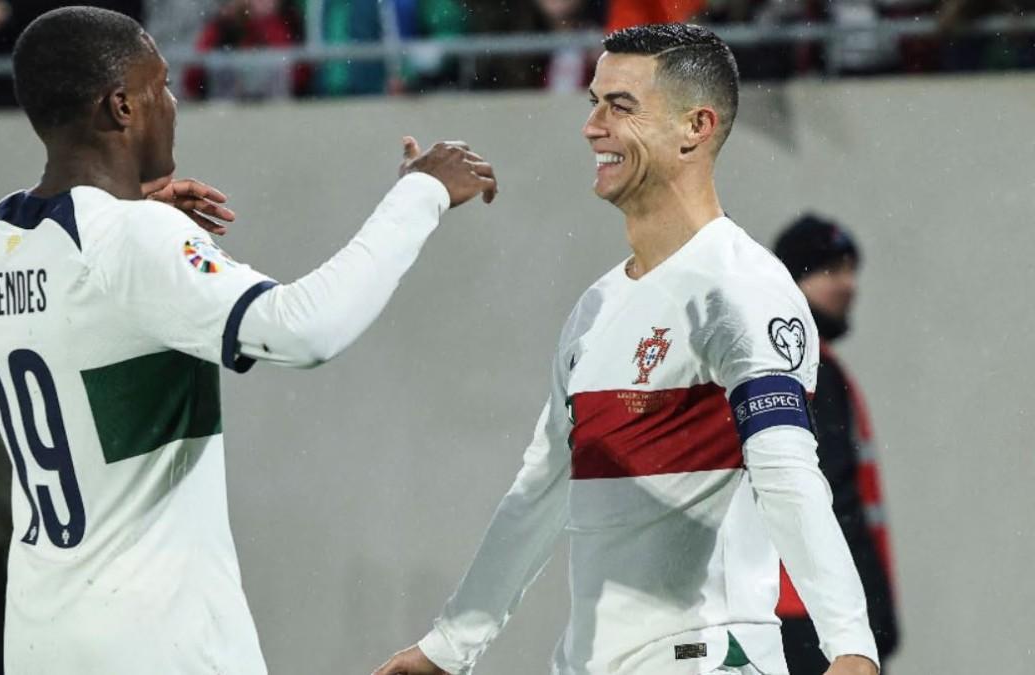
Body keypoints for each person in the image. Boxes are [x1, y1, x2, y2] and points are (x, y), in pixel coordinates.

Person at [0, 6, 497, 674]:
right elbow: (305, 328)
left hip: (40, 643)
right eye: (159, 86)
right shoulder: (134, 242)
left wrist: (129, 245)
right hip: (160, 644)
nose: (170, 103)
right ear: (120, 107)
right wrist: (420, 194)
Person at [374, 24, 879, 675]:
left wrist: (851, 644)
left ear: (694, 127)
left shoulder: (744, 288)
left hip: (706, 659)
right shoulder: (594, 309)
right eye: (593, 101)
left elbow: (787, 472)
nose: (592, 126)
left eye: (620, 105)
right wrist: (448, 646)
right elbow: (541, 488)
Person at [772, 215, 901, 674]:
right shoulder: (812, 374)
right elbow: (833, 498)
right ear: (794, 280)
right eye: (830, 271)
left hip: (802, 611)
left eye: (850, 270)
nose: (848, 284)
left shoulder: (805, 365)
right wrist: (870, 613)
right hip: (816, 616)